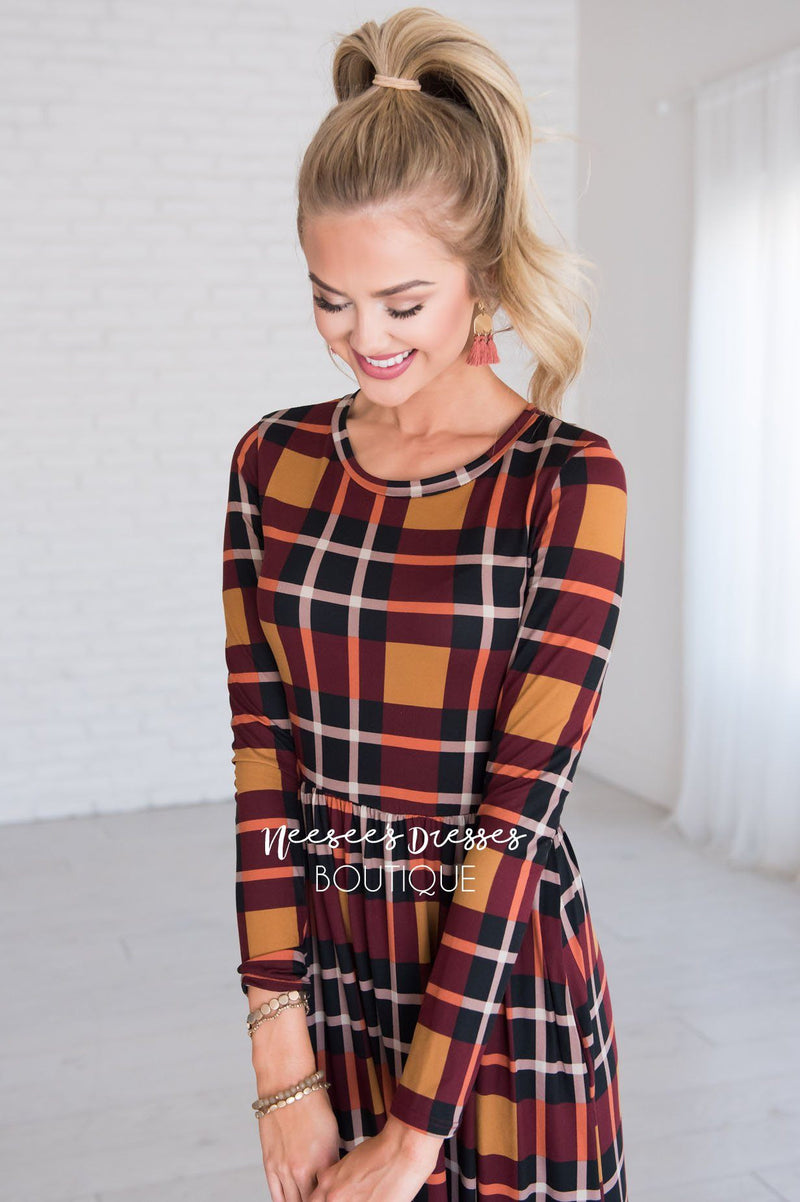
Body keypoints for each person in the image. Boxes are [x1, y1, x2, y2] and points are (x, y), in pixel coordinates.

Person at [221, 8, 629, 1201]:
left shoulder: (565, 481)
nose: (364, 338)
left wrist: (412, 1134)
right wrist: (278, 1048)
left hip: (499, 990)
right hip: (332, 973)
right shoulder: (272, 462)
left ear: (482, 272)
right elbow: (263, 757)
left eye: (401, 303)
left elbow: (515, 819)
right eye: (330, 298)